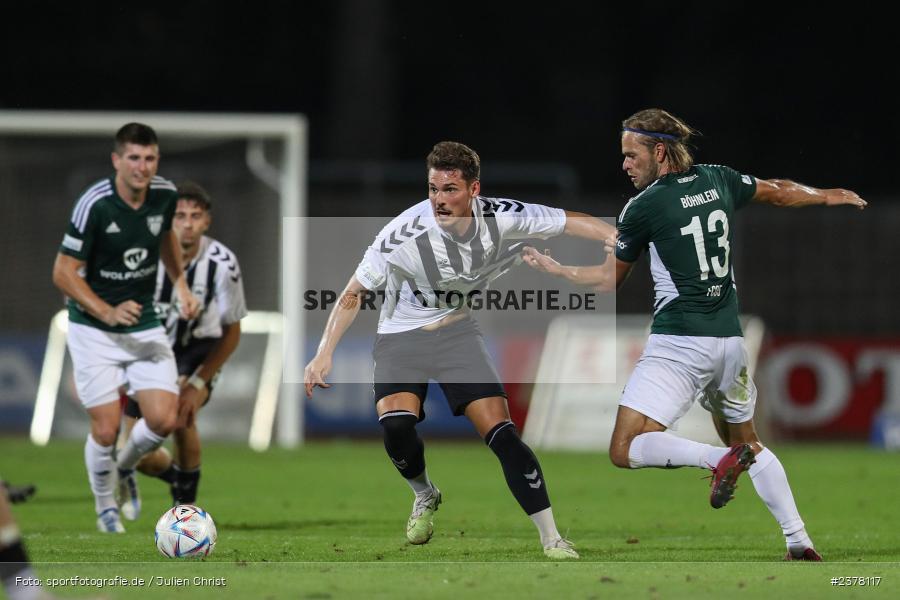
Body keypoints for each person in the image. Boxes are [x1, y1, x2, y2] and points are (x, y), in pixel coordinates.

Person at [522, 108, 867, 561]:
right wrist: (828, 194)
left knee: (624, 448)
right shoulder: (719, 179)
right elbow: (780, 192)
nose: (624, 164)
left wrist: (558, 269)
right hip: (731, 342)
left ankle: (713, 460)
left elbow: (609, 281)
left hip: (680, 342)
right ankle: (798, 540)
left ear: (659, 150)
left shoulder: (643, 207)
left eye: (631, 155)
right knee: (747, 441)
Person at [305, 141, 615, 559]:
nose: (439, 200)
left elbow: (568, 222)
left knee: (503, 436)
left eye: (450, 189)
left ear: (474, 190)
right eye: (433, 189)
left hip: (457, 335)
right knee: (397, 426)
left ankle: (551, 538)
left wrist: (616, 236)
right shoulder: (403, 233)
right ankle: (424, 493)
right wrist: (324, 352)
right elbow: (353, 292)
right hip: (401, 337)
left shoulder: (504, 217)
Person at [52, 123, 200, 533]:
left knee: (164, 420)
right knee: (104, 427)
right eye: (134, 158)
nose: (142, 166)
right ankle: (105, 507)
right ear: (117, 160)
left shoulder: (165, 194)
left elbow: (166, 237)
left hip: (143, 321)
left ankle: (122, 467)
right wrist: (107, 310)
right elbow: (63, 272)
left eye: (150, 158)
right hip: (92, 327)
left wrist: (181, 285)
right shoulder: (95, 204)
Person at [118, 181, 247, 516]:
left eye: (196, 216)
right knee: (134, 452)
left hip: (197, 349)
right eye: (179, 215)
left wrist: (199, 382)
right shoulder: (142, 257)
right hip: (150, 350)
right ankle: (178, 481)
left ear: (207, 222)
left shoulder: (223, 264)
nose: (187, 223)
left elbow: (232, 332)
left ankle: (186, 509)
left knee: (180, 412)